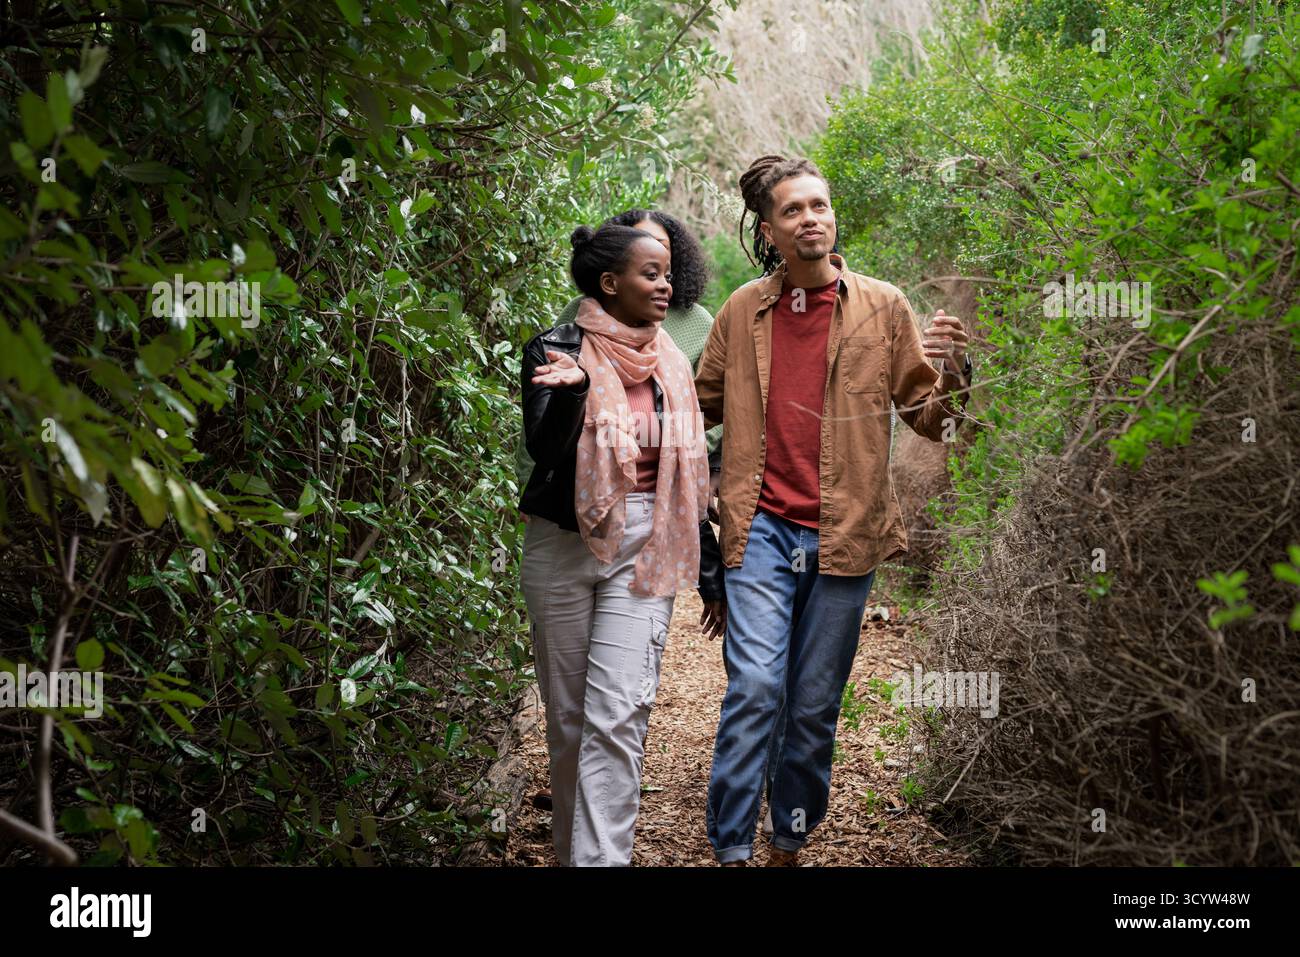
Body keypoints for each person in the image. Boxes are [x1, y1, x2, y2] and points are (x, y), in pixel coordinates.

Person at [695, 154, 974, 866]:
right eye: (793, 210)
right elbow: (693, 408)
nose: (810, 218)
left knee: (814, 704)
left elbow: (931, 422)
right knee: (757, 683)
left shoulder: (883, 307)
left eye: (819, 205)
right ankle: (730, 845)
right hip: (760, 527)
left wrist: (955, 372)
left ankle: (788, 836)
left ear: (832, 216)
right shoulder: (740, 312)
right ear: (770, 229)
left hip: (846, 533)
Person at [518, 222, 726, 866]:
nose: (666, 287)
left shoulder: (670, 361)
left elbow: (688, 479)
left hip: (646, 541)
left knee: (619, 716)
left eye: (666, 273)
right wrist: (578, 394)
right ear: (610, 283)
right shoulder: (555, 348)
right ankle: (570, 854)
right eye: (650, 274)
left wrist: (711, 570)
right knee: (570, 719)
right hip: (563, 541)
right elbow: (544, 452)